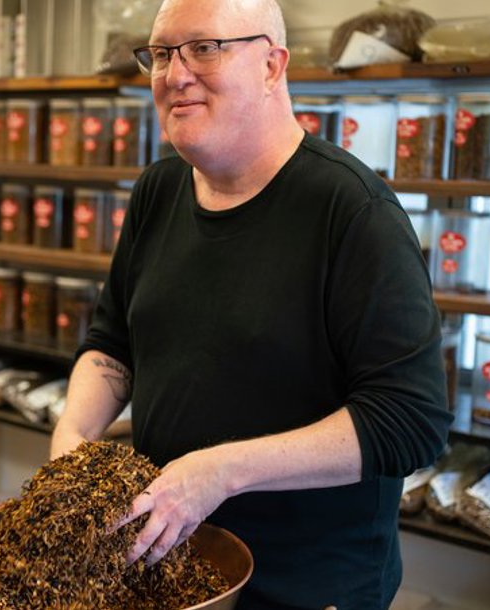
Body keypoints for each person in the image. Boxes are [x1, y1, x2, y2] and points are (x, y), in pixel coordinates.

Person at [49, 0, 452, 607]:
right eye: (161, 54)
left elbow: (409, 420)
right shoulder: (158, 189)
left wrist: (220, 472)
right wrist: (73, 435)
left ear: (271, 65)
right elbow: (113, 341)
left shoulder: (352, 211)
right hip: (172, 566)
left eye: (204, 49)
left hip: (305, 585)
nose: (174, 74)